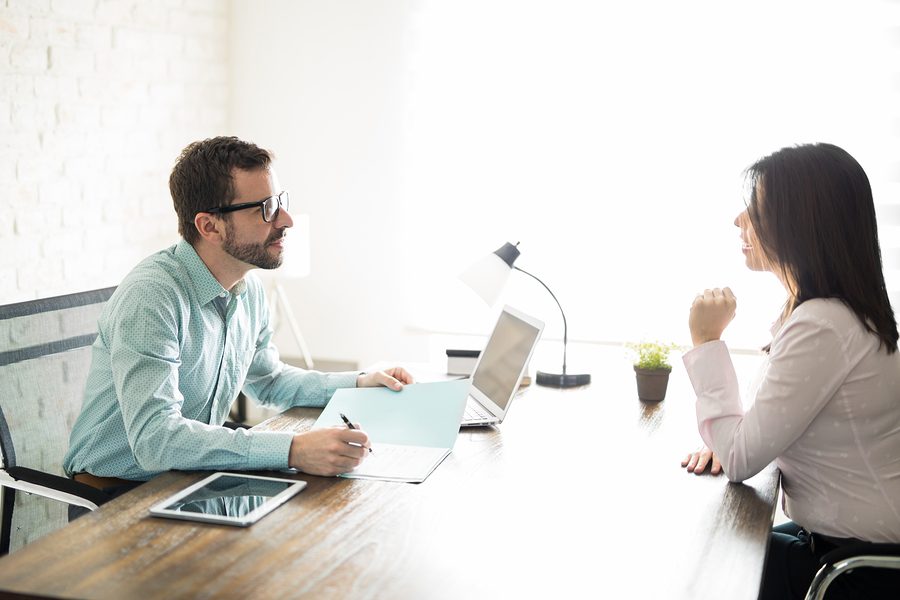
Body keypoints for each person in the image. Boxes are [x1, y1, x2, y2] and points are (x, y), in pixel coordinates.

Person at [63, 136, 412, 498]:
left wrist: (358, 383)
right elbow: (156, 439)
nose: (286, 220)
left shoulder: (249, 289)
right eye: (265, 208)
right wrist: (293, 449)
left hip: (191, 476)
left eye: (280, 202)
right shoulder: (152, 297)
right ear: (209, 226)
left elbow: (269, 381)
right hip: (117, 493)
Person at [682, 143, 900, 599]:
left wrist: (706, 341)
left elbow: (741, 459)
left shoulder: (823, 324)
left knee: (704, 561)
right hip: (844, 547)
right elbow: (756, 436)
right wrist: (733, 437)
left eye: (756, 209)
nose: (739, 221)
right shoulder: (826, 314)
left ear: (803, 224)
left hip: (859, 569)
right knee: (713, 546)